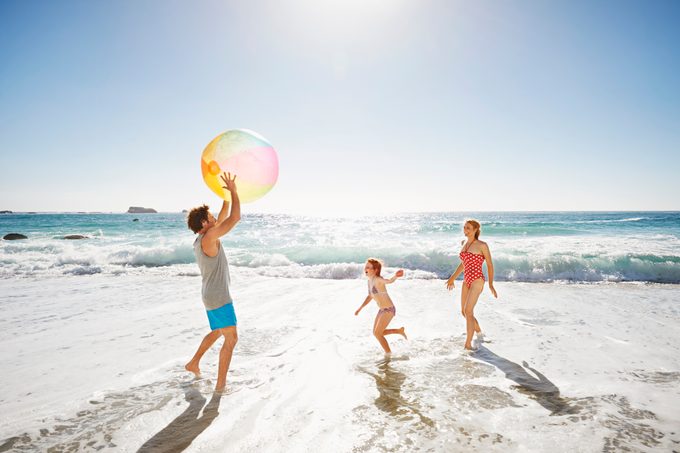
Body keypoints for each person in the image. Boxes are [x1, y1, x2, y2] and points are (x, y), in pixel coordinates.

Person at [184, 172, 240, 391]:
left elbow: (224, 217)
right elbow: (234, 219)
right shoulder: (209, 238)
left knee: (218, 331)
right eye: (212, 217)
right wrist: (235, 193)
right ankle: (220, 386)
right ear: (205, 223)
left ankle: (193, 362)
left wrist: (225, 197)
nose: (216, 218)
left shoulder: (201, 238)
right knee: (231, 338)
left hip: (210, 294)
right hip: (218, 296)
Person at [446, 220, 498, 350]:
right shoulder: (464, 243)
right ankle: (479, 333)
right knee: (464, 312)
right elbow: (463, 264)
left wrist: (491, 284)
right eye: (464, 227)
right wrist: (452, 278)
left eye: (468, 228)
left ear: (475, 230)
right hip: (466, 280)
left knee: (469, 311)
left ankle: (468, 344)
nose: (465, 230)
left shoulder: (482, 245)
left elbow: (490, 265)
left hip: (477, 280)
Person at [355, 258, 407, 354]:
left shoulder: (378, 279)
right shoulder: (369, 282)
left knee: (378, 333)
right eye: (365, 267)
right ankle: (399, 331)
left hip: (389, 309)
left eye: (368, 267)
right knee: (376, 333)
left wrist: (395, 276)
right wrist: (360, 308)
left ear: (375, 270)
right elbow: (370, 296)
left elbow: (389, 281)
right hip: (382, 310)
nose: (365, 269)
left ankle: (388, 354)